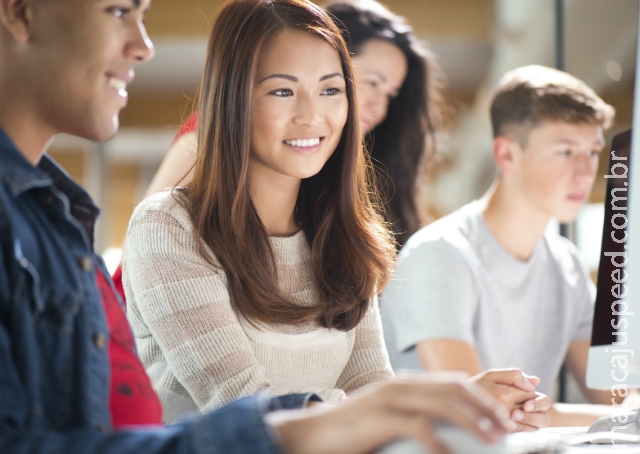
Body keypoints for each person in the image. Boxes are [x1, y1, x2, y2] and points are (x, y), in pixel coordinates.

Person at [0, 0, 518, 452]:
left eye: (331, 90)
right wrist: (398, 407)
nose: (313, 116)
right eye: (281, 92)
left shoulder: (343, 233)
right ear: (234, 101)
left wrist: (454, 407)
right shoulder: (167, 227)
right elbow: (243, 405)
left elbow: (369, 387)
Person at [382, 65, 621, 426]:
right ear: (507, 154)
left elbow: (619, 397)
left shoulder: (567, 266)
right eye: (565, 152)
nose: (586, 172)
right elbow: (479, 414)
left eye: (592, 151)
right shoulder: (441, 252)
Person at [133, 0, 442, 246]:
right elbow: (149, 244)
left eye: (391, 94)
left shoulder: (330, 171)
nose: (380, 107)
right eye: (372, 82)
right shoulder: (212, 138)